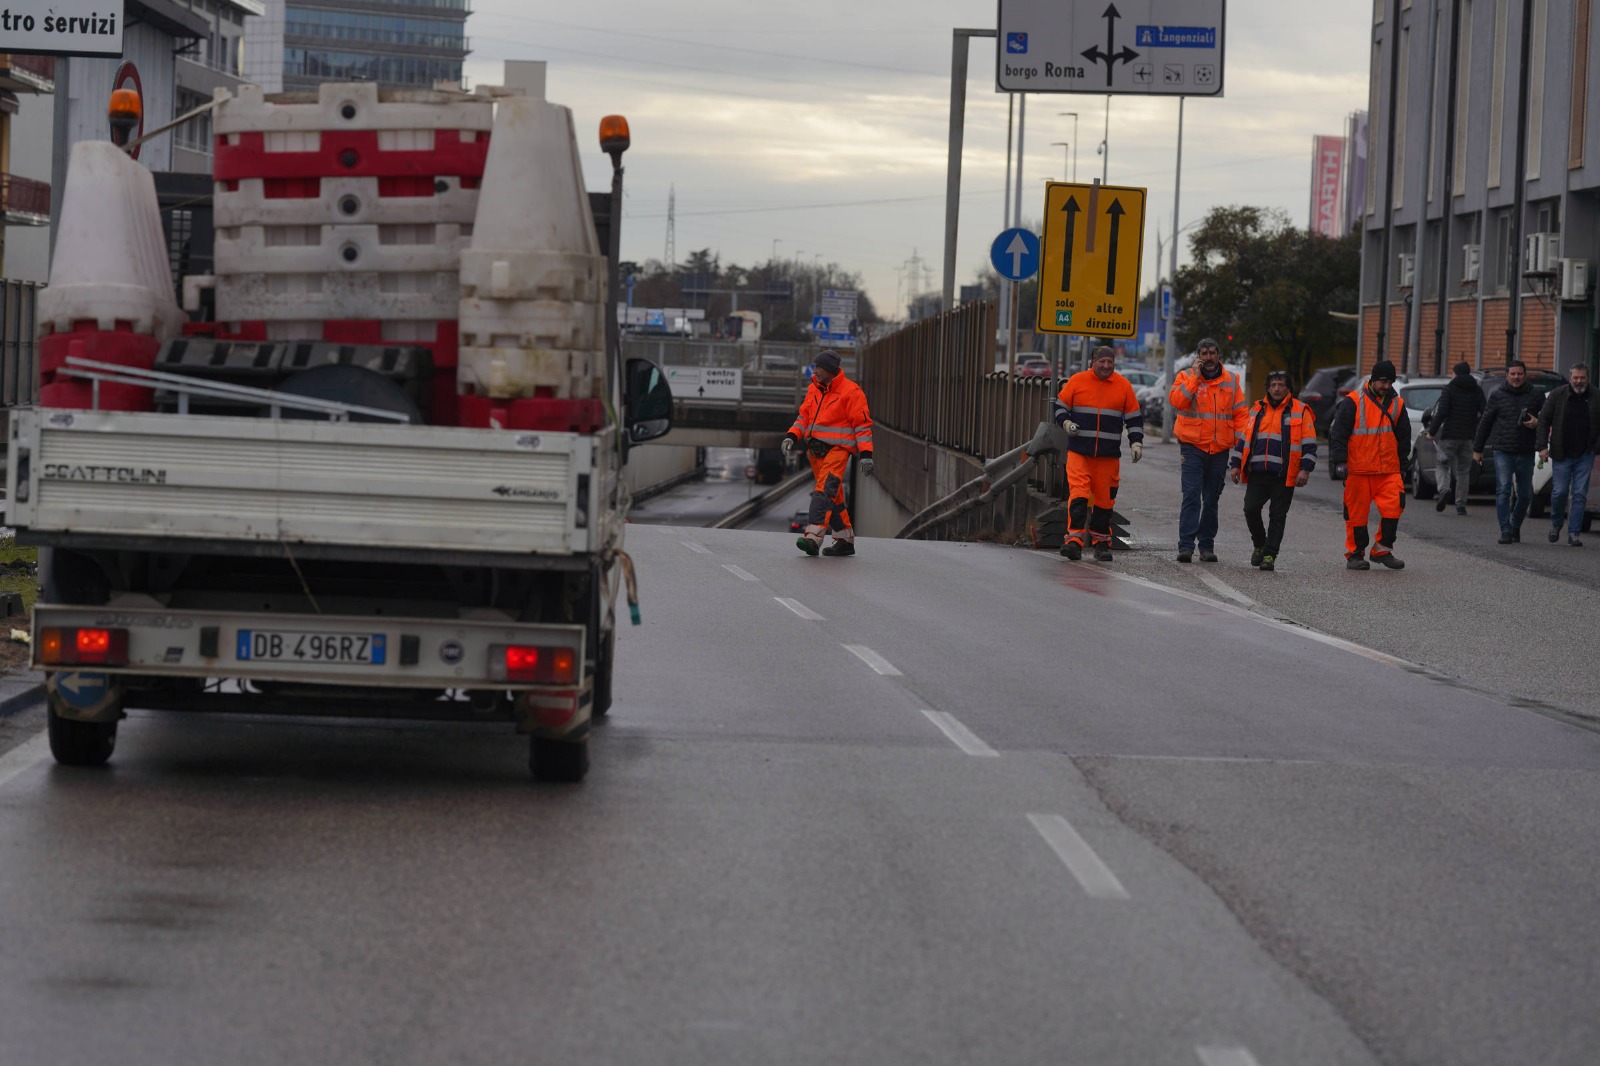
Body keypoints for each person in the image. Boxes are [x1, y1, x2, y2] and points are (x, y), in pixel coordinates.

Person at [1051, 346, 1145, 562]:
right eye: (1101, 362)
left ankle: (1101, 544)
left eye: (1109, 362)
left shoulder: (1123, 386)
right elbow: (1059, 406)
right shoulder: (1077, 382)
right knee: (1079, 496)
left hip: (1107, 456)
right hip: (1080, 452)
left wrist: (1136, 442)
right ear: (1092, 362)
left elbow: (1134, 418)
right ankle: (1074, 542)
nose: (1106, 366)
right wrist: (1065, 422)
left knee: (1105, 501)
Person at [782, 349, 874, 557]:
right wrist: (792, 436)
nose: (814, 372)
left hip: (838, 450)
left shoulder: (852, 392)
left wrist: (866, 455)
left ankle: (813, 536)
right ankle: (844, 539)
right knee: (834, 497)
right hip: (816, 451)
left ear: (830, 370)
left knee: (824, 491)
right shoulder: (814, 389)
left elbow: (862, 427)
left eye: (818, 368)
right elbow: (803, 417)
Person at [1168, 338, 1248, 562]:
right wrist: (1195, 377)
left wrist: (1243, 449)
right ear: (1198, 356)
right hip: (1192, 446)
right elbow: (1177, 401)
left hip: (1220, 449)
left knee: (1212, 499)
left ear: (1219, 355)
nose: (1209, 357)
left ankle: (1206, 546)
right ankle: (1186, 546)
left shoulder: (1231, 380)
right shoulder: (1186, 377)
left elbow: (1241, 415)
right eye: (1204, 353)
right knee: (1191, 496)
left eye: (1213, 353)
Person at [1228, 369, 1317, 571]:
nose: (1277, 389)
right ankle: (1260, 544)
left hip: (1284, 475)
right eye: (1273, 385)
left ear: (1288, 388)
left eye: (1281, 385)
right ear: (1268, 387)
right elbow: (1244, 440)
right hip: (1258, 473)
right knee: (1250, 510)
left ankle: (1269, 555)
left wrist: (1305, 470)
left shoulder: (1300, 410)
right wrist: (1235, 464)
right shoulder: (1257, 409)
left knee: (1277, 516)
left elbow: (1310, 445)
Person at [1328, 359, 1411, 569]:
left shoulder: (1397, 404)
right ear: (1373, 380)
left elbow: (1404, 436)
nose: (1385, 386)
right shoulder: (1353, 402)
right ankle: (1356, 554)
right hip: (1358, 470)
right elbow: (1338, 434)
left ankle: (1382, 548)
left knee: (1395, 508)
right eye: (1382, 381)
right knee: (1356, 516)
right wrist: (1339, 461)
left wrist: (1403, 463)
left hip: (1388, 470)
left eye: (1389, 382)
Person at [1472, 360, 1543, 544]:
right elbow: (1485, 422)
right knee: (1503, 490)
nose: (1516, 377)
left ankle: (1515, 524)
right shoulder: (1497, 395)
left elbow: (1548, 418)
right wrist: (1478, 449)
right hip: (1503, 451)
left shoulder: (1536, 395)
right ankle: (1505, 530)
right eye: (1513, 374)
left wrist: (1538, 423)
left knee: (1525, 494)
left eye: (1519, 374)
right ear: (1507, 375)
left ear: (1524, 375)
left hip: (1526, 451)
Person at [1535, 363, 1600, 547]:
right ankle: (1556, 524)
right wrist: (1542, 447)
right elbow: (1543, 420)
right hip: (1561, 452)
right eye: (1576, 378)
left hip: (1585, 453)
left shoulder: (1596, 396)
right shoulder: (1558, 395)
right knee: (1559, 492)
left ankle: (1574, 533)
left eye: (1583, 378)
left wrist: (1596, 447)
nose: (1579, 381)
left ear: (1588, 378)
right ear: (1570, 378)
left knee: (1579, 494)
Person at [1427, 361, 1486, 515]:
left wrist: (1431, 431)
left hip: (1450, 435)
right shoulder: (1477, 390)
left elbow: (1442, 412)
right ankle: (1461, 504)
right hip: (1468, 437)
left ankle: (1444, 490)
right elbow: (1484, 412)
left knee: (1442, 465)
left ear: (1456, 373)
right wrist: (1479, 430)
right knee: (1463, 471)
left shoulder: (1449, 389)